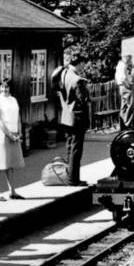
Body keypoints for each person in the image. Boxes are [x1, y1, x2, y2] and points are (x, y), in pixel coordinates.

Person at [54, 55, 91, 186]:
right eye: (83, 64)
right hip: (77, 119)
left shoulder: (63, 73)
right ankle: (74, 179)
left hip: (66, 117)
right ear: (80, 63)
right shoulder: (78, 80)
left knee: (70, 147)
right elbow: (84, 100)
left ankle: (70, 176)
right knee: (76, 150)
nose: (83, 67)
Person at [0, 78, 25, 201]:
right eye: (2, 87)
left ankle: (12, 191)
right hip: (3, 135)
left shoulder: (13, 100)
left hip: (14, 134)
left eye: (6, 87)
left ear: (10, 88)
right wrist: (10, 134)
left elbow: (18, 118)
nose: (4, 89)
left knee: (10, 164)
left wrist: (19, 132)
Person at [114, 54, 133, 130]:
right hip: (124, 87)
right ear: (127, 58)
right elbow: (123, 79)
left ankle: (124, 123)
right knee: (129, 105)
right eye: (130, 58)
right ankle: (126, 123)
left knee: (124, 105)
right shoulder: (123, 65)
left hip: (122, 87)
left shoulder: (119, 65)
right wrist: (130, 87)